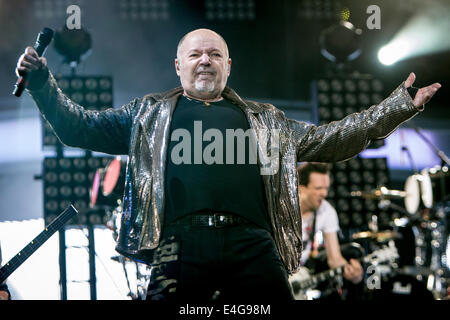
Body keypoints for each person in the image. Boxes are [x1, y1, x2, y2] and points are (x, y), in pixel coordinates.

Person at [16, 28, 441, 301]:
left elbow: (333, 139)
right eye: (196, 54)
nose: (205, 60)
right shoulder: (146, 115)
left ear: (228, 65)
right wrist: (40, 82)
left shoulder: (266, 120)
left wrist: (397, 108)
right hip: (179, 245)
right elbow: (78, 128)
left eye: (215, 54)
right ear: (178, 65)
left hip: (252, 245)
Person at [296, 162, 363, 298]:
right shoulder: (281, 208)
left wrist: (355, 275)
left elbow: (334, 259)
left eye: (326, 188)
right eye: (318, 188)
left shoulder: (327, 211)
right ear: (301, 189)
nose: (324, 194)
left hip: (298, 275)